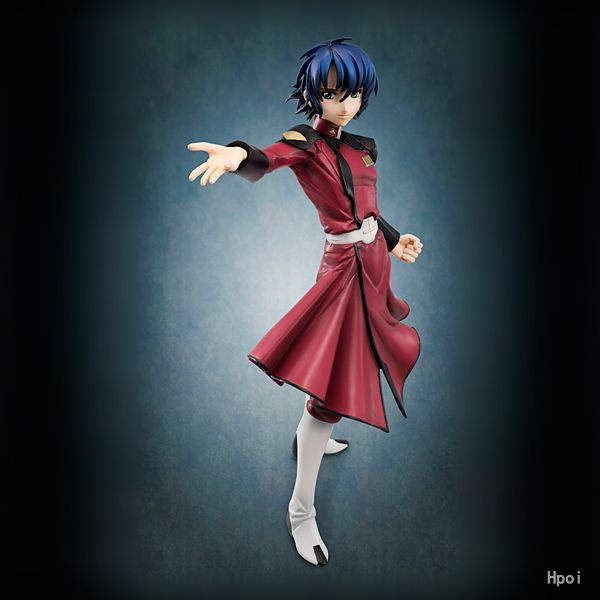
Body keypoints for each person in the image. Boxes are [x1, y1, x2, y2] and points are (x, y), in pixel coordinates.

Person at [188, 37, 423, 566]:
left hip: (374, 270)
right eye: (334, 93)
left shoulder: (362, 148)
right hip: (342, 274)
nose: (346, 103)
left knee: (348, 369)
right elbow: (272, 155)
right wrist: (237, 155)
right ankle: (300, 511)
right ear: (314, 94)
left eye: (354, 93)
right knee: (333, 387)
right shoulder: (307, 143)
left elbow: (367, 207)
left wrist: (393, 239)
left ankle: (308, 434)